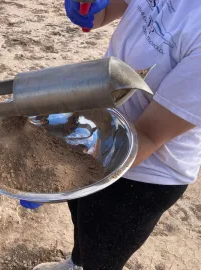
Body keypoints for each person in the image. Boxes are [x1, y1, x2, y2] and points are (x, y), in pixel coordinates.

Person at [33, 0, 201, 269]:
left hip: (143, 175)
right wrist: (89, 10)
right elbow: (108, 11)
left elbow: (147, 136)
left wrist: (62, 171)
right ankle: (75, 263)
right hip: (98, 128)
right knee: (82, 220)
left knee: (101, 255)